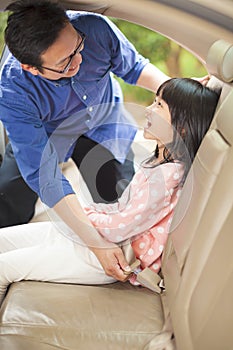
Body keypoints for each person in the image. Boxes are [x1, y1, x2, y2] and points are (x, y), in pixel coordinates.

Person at [0, 78, 220, 306]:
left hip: (110, 255)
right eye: (154, 101)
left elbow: (119, 228)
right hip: (96, 238)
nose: (148, 109)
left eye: (159, 105)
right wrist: (85, 216)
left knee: (4, 267)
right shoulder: (159, 164)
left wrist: (82, 215)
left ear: (182, 127)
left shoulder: (167, 177)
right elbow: (121, 209)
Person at [0, 0, 169, 231]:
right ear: (31, 68)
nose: (78, 59)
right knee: (7, 197)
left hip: (101, 126)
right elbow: (43, 174)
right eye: (64, 62)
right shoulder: (12, 91)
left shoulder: (94, 28)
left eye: (78, 46)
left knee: (124, 207)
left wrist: (173, 90)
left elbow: (134, 67)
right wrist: (92, 240)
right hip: (45, 135)